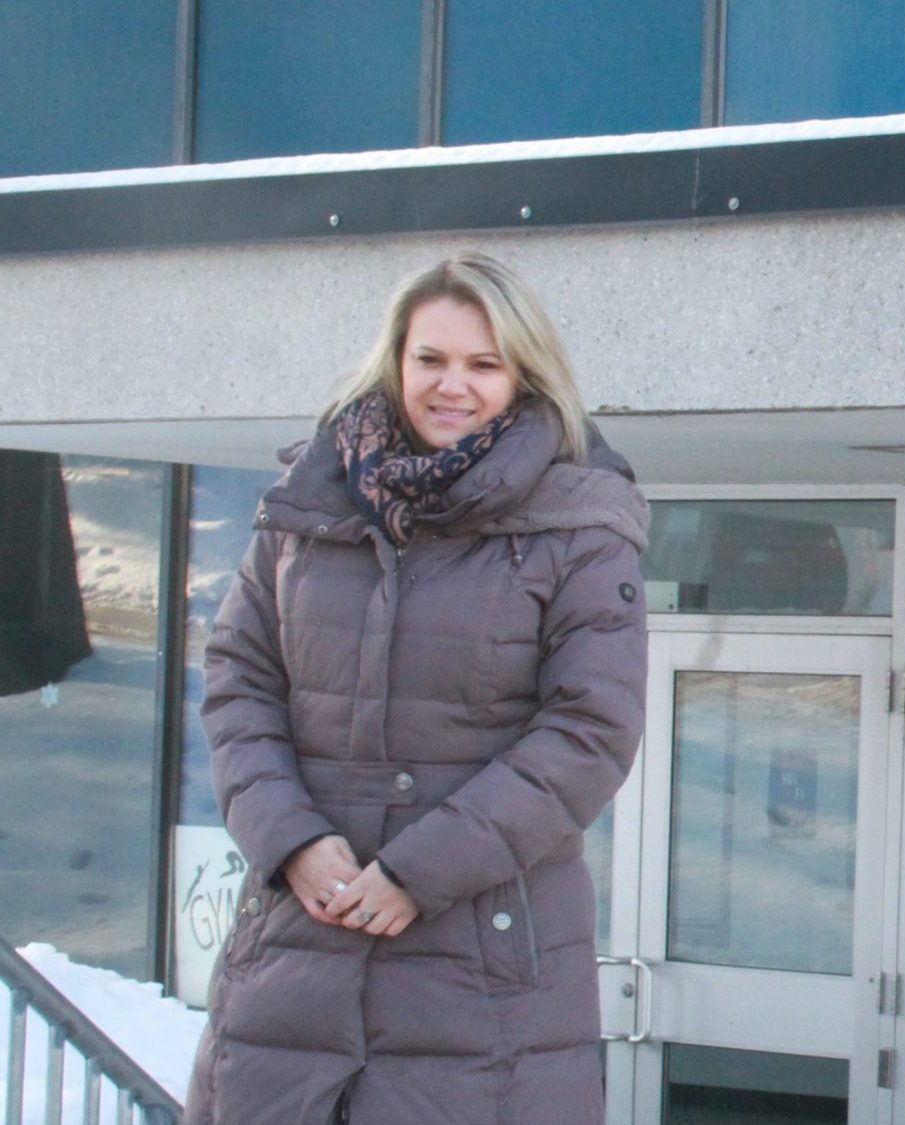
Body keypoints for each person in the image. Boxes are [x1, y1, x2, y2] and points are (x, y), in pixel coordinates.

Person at [186, 252, 649, 1124]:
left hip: (482, 970)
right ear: (396, 359)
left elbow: (591, 730)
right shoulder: (310, 501)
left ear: (524, 374)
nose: (451, 385)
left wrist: (418, 871)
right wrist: (290, 839)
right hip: (296, 949)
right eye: (430, 358)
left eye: (483, 363)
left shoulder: (581, 521)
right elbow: (238, 677)